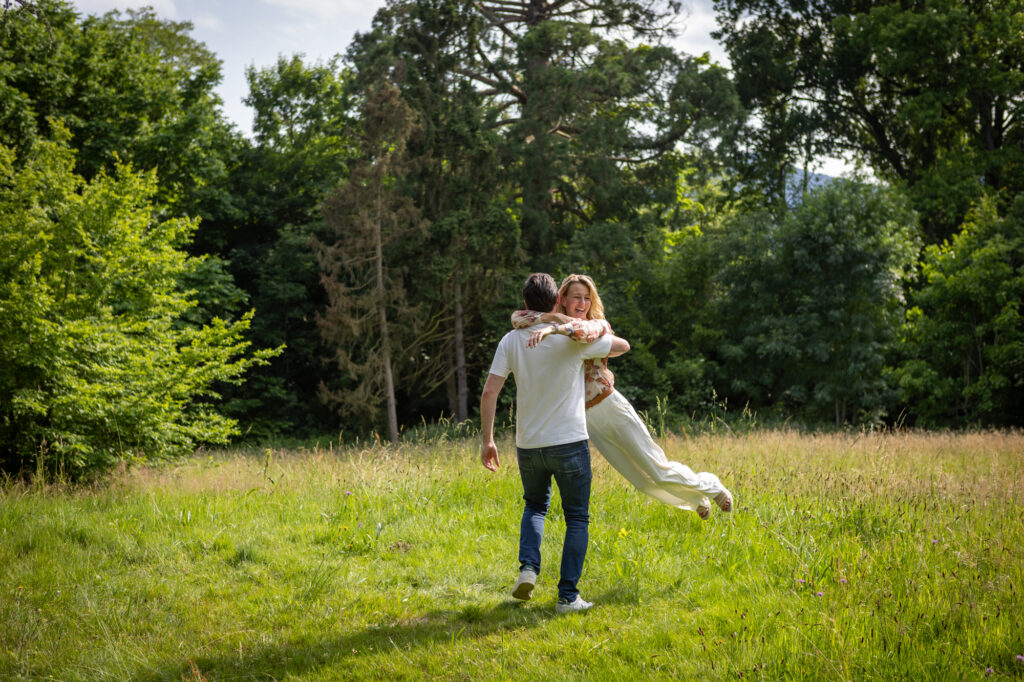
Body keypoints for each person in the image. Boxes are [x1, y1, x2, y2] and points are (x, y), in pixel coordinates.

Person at [512, 274, 733, 519]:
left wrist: (554, 326)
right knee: (641, 481)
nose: (582, 303)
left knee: (657, 468)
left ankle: (711, 485)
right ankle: (696, 500)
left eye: (587, 298)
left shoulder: (596, 326)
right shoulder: (551, 329)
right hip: (585, 420)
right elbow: (518, 317)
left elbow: (586, 332)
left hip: (610, 406)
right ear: (562, 299)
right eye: (576, 297)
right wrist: (551, 319)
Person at [481, 273, 630, 614]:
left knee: (535, 506)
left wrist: (488, 440)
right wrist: (588, 327)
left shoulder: (510, 340)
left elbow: (490, 391)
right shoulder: (571, 339)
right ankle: (567, 598)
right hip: (568, 442)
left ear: (525, 303)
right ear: (558, 300)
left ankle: (528, 569)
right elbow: (622, 346)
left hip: (528, 444)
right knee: (576, 517)